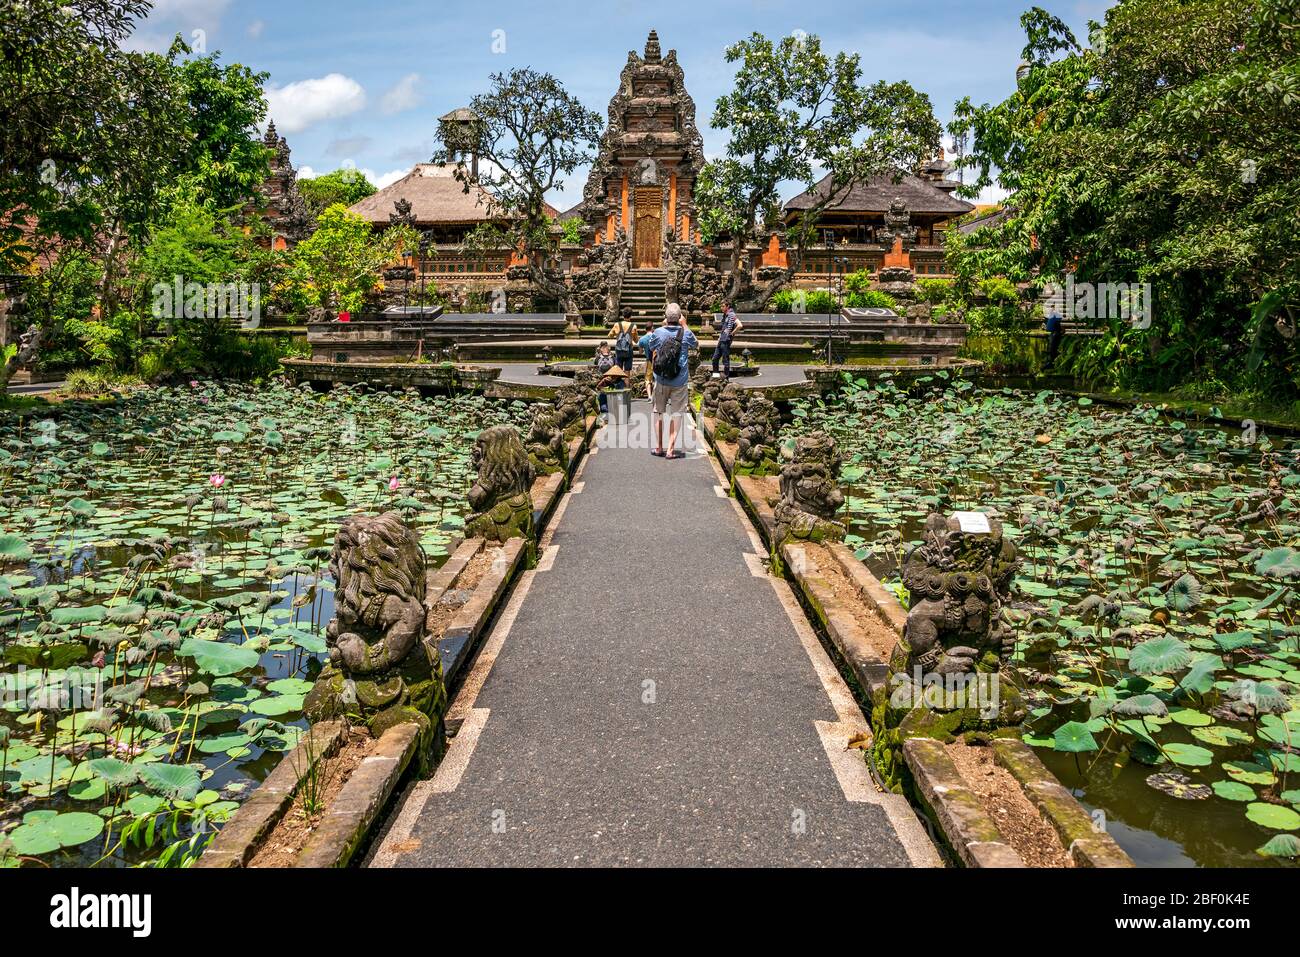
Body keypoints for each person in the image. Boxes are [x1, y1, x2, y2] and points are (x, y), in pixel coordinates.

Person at [638, 303, 698, 459]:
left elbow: (651, 347)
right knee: (677, 414)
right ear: (679, 318)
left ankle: (659, 447)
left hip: (662, 380)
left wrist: (664, 327)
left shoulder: (657, 332)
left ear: (666, 317)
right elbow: (696, 344)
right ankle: (671, 449)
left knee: (658, 412)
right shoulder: (685, 333)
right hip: (680, 381)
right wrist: (684, 325)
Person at [712, 300, 743, 378]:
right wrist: (719, 337)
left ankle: (726, 377)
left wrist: (732, 333)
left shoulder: (731, 315)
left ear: (727, 306)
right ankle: (715, 376)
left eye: (723, 306)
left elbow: (739, 325)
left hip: (726, 340)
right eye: (721, 306)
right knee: (715, 358)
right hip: (722, 340)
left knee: (725, 360)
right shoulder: (725, 315)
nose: (721, 308)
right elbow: (723, 328)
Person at [609, 307, 637, 373]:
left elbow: (610, 335)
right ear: (631, 316)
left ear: (623, 315)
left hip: (619, 349)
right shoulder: (633, 326)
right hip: (629, 350)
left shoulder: (617, 325)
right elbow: (636, 340)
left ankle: (619, 383)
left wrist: (618, 335)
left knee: (618, 370)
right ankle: (627, 383)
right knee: (627, 371)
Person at [593, 342, 616, 412]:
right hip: (610, 378)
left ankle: (604, 409)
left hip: (601, 378)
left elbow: (595, 364)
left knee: (602, 399)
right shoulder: (612, 357)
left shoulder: (598, 357)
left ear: (601, 349)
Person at [1045, 305, 1064, 370]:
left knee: (1052, 348)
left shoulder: (1052, 314)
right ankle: (1052, 363)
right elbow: (1059, 324)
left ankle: (1052, 362)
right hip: (1055, 333)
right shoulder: (1056, 315)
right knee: (1053, 348)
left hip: (1053, 333)